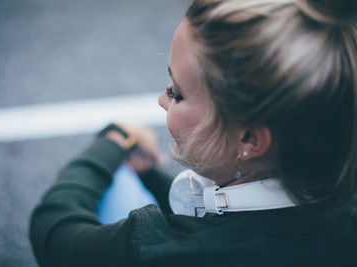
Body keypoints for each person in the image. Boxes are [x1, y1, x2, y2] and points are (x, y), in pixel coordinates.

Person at [29, 0, 357, 266]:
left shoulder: (159, 250)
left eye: (177, 93)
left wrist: (113, 140)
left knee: (117, 186)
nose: (162, 99)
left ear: (249, 139)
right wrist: (152, 177)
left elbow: (53, 232)